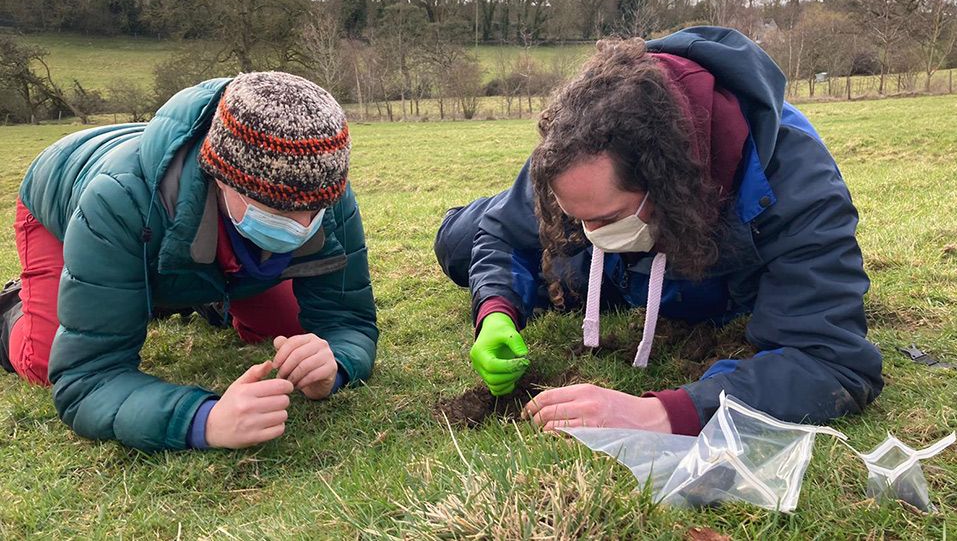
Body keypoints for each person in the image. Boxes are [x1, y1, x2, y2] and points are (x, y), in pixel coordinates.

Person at [434, 28, 883, 436]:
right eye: (577, 217)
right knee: (458, 243)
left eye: (606, 220)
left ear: (667, 183)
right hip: (613, 265)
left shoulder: (796, 178)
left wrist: (664, 414)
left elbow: (832, 362)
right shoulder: (582, 142)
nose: (589, 232)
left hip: (703, 275)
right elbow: (501, 236)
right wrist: (495, 311)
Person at [0, 72, 377, 452]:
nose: (302, 227)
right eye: (277, 210)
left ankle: (198, 291)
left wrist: (335, 365)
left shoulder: (320, 183)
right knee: (43, 362)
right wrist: (203, 420)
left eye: (313, 210)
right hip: (66, 195)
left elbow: (347, 321)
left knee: (289, 331)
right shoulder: (117, 200)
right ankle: (13, 306)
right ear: (222, 178)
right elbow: (86, 380)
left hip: (189, 228)